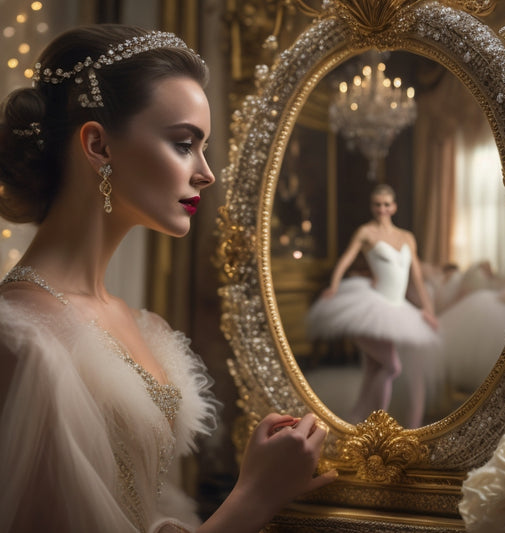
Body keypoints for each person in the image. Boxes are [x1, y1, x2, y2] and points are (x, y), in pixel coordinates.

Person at [0, 25, 336, 533]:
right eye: (184, 143)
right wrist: (252, 496)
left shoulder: (145, 325)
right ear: (98, 145)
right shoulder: (20, 339)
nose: (206, 172)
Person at [306, 184, 439, 428]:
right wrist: (334, 286)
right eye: (377, 204)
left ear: (394, 207)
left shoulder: (407, 237)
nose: (382, 209)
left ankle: (360, 418)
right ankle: (377, 423)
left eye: (386, 204)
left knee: (375, 366)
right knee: (392, 366)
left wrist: (427, 309)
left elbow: (416, 277)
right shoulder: (366, 232)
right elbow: (345, 259)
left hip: (397, 307)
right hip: (371, 306)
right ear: (372, 207)